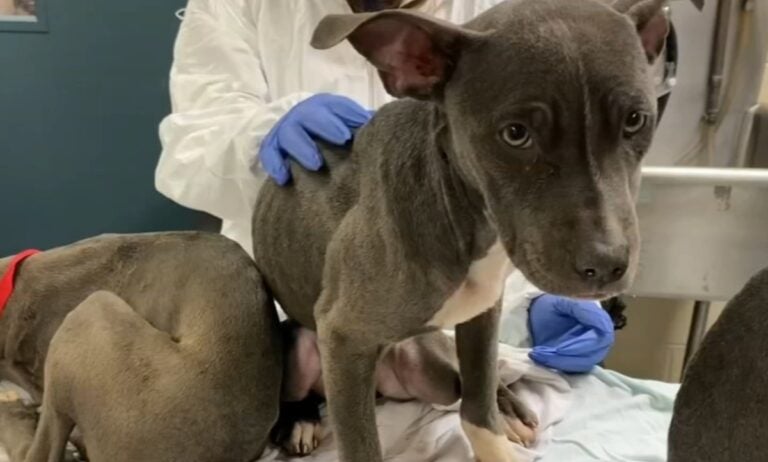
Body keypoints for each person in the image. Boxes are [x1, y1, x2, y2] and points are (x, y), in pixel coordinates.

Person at [155, 0, 615, 373]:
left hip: (448, 338)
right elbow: (190, 149)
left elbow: (537, 177)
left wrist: (539, 296)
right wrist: (261, 136)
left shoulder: (503, 13)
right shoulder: (238, 6)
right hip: (283, 316)